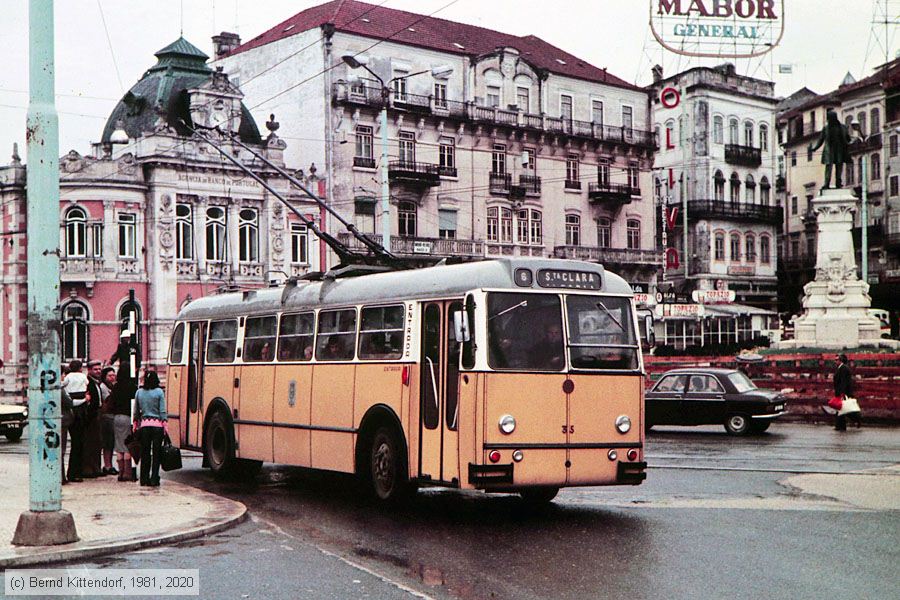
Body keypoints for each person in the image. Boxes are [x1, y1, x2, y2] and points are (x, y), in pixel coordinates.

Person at [135, 371, 167, 487]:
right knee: (156, 453)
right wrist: (164, 423)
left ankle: (144, 478)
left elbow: (136, 410)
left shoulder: (139, 392)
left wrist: (135, 423)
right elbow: (162, 410)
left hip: (144, 425)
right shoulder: (159, 392)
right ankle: (154, 478)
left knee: (145, 453)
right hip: (157, 426)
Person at [808, 109, 852, 189]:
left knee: (839, 166)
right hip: (829, 150)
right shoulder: (826, 128)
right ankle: (826, 183)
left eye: (829, 118)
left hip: (839, 149)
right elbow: (821, 140)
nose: (828, 120)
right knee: (829, 167)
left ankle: (838, 183)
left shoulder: (843, 127)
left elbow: (848, 138)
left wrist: (850, 143)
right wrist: (815, 148)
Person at [62, 360, 87, 482]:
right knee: (79, 441)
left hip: (72, 405)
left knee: (74, 441)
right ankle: (76, 471)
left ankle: (72, 472)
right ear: (81, 368)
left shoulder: (68, 377)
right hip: (80, 407)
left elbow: (62, 385)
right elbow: (86, 384)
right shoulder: (83, 377)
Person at [110, 367, 138, 482]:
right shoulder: (132, 387)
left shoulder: (116, 387)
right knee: (127, 445)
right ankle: (127, 472)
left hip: (116, 417)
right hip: (127, 417)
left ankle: (120, 472)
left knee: (119, 445)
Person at [81, 360, 104, 478]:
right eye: (95, 369)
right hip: (91, 416)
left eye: (99, 369)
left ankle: (96, 467)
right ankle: (89, 468)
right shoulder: (88, 383)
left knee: (97, 442)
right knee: (90, 442)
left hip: (97, 414)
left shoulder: (97, 383)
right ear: (89, 370)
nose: (98, 371)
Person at [99, 367, 118, 476]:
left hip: (112, 416)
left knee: (110, 443)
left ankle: (109, 464)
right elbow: (108, 401)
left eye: (113, 375)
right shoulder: (104, 387)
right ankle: (107, 465)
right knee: (107, 442)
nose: (112, 378)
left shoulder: (112, 386)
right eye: (110, 376)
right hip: (106, 417)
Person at [833, 354, 855, 431]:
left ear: (840, 360)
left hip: (842, 392)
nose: (835, 361)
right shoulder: (841, 368)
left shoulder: (843, 369)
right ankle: (839, 425)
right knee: (840, 409)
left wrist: (842, 393)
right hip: (841, 392)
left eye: (836, 360)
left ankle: (840, 426)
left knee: (841, 409)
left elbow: (843, 382)